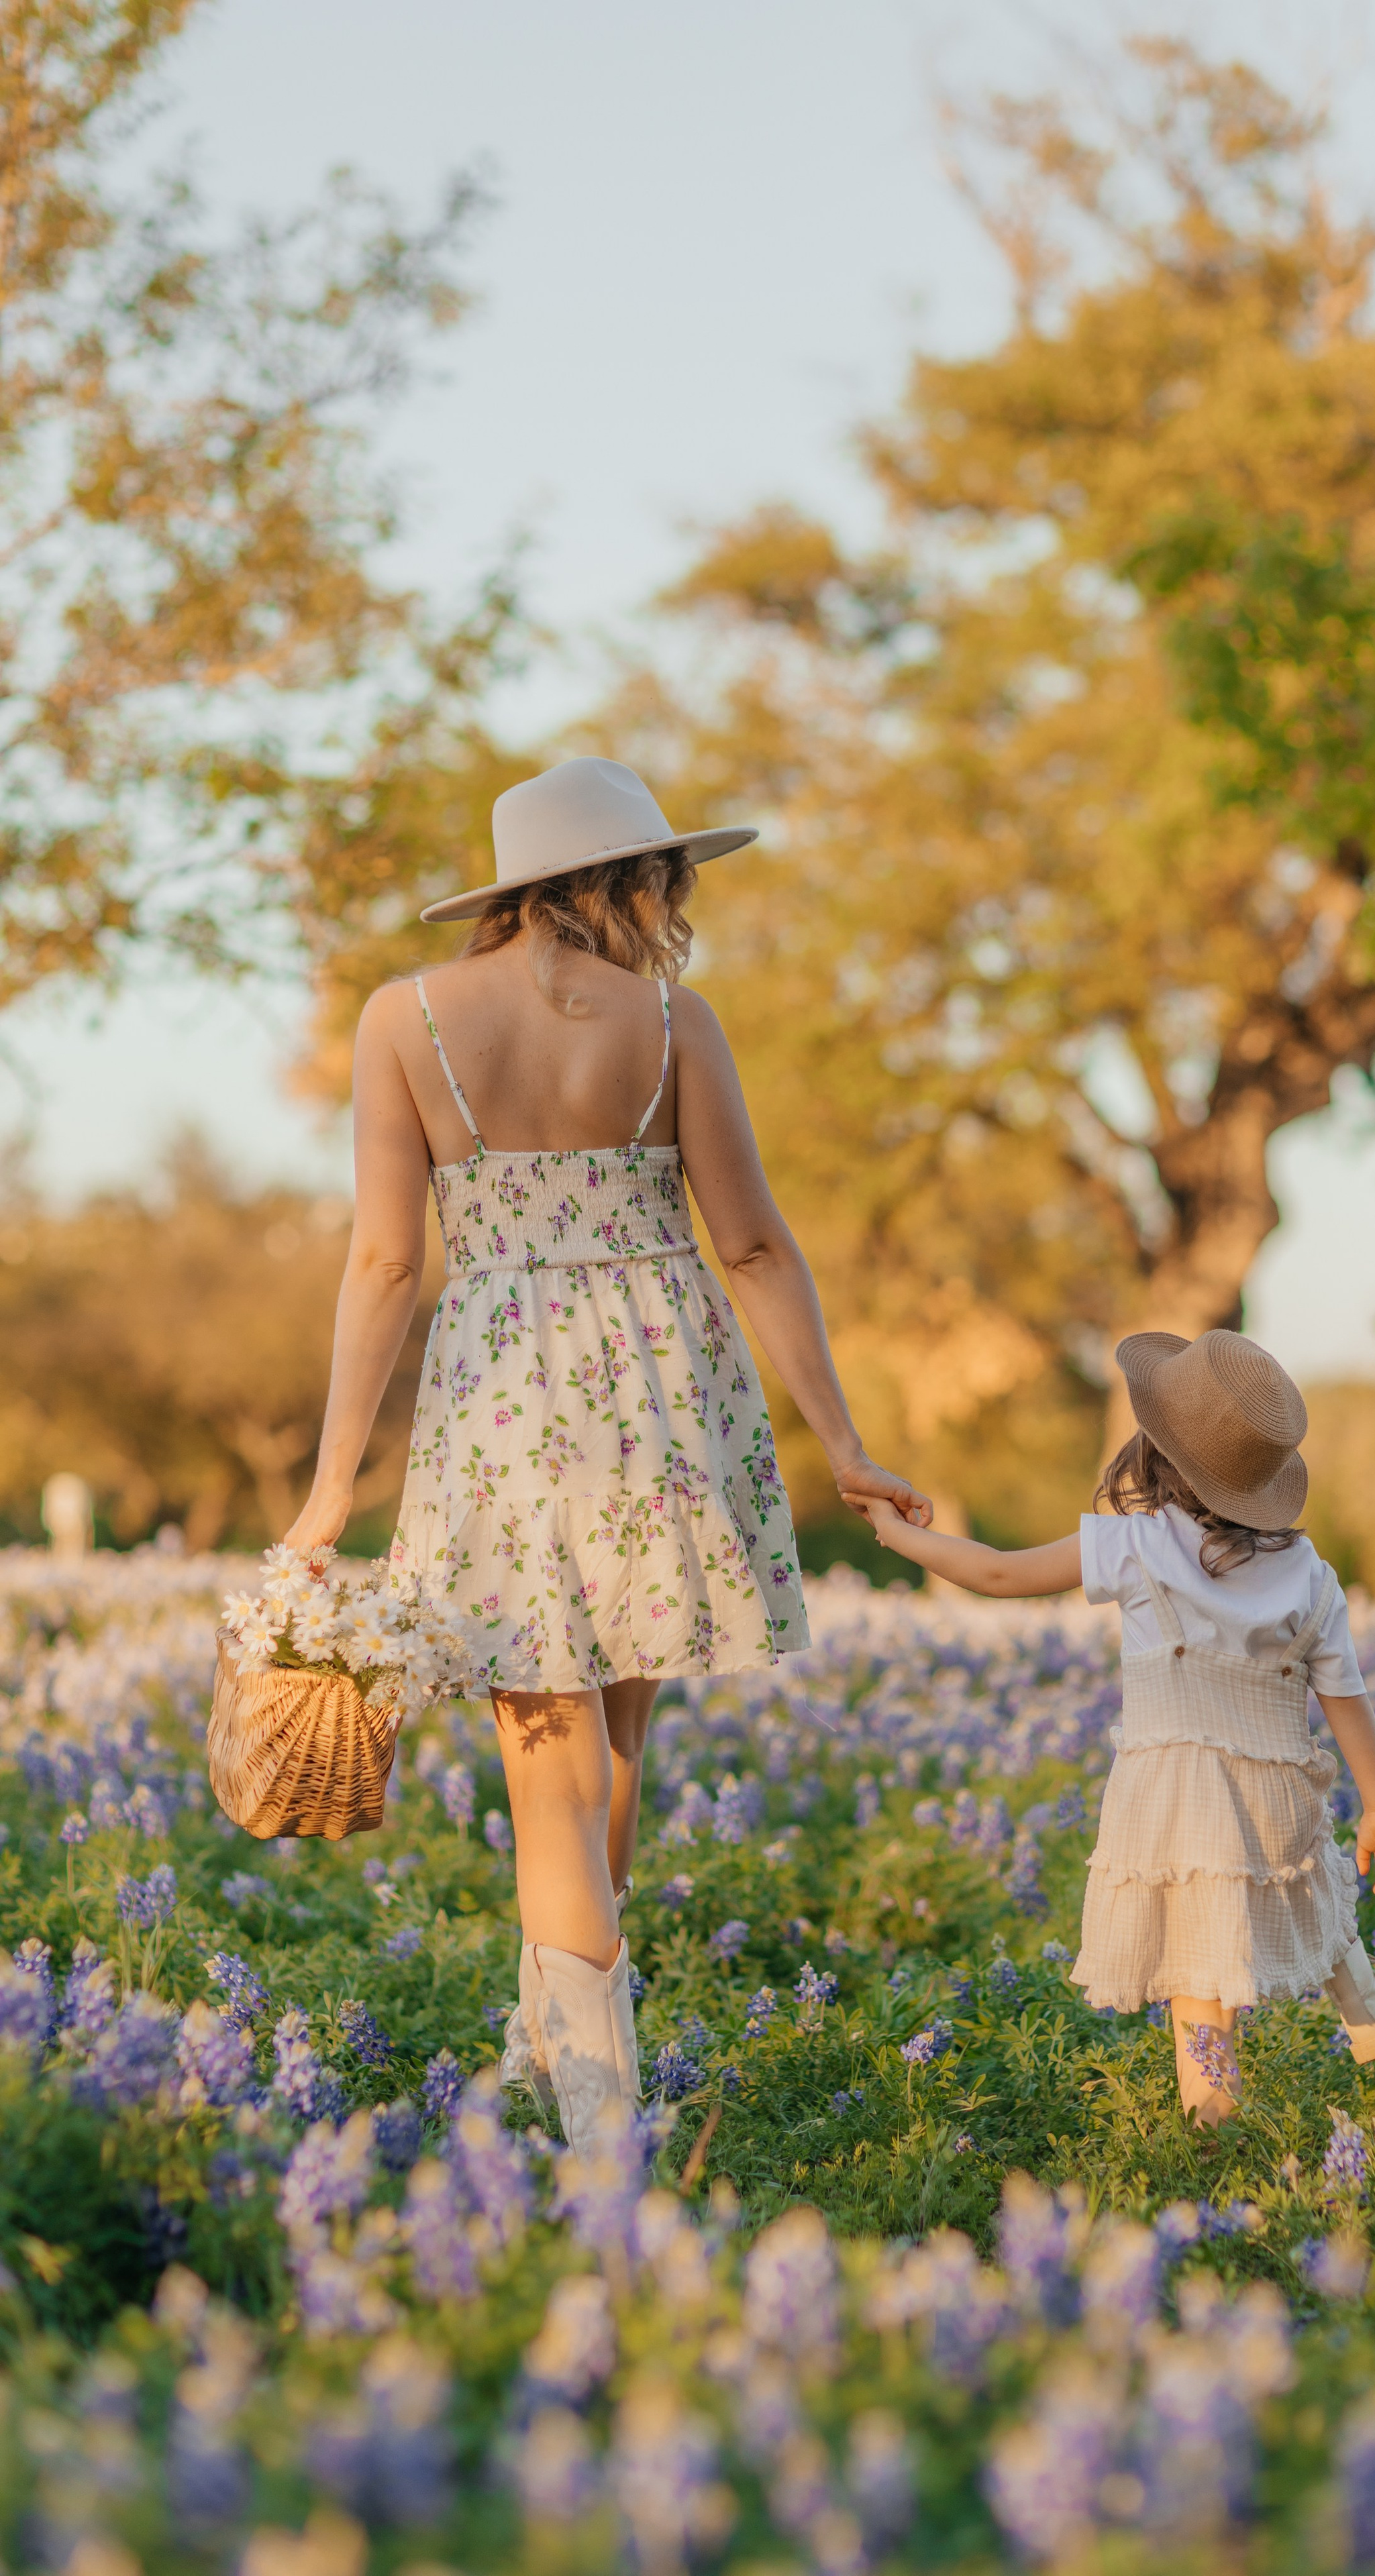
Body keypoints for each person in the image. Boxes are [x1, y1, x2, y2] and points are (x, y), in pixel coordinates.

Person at [285, 755, 928, 2149]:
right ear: (628, 880)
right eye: (663, 876)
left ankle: (594, 2117)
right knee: (612, 1747)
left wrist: (334, 1484)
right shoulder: (673, 1020)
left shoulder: (405, 1019)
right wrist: (844, 1442)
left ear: (513, 890)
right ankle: (563, 2055)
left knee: (547, 1763)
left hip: (507, 1401)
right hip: (659, 1387)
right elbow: (750, 1245)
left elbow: (388, 1261)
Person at [858, 1326, 1375, 2123]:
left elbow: (995, 1572)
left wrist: (894, 1530)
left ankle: (1213, 2134)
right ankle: (1368, 2010)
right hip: (1276, 1801)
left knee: (1200, 1989)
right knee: (1297, 1913)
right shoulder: (1310, 1572)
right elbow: (1347, 1698)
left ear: (1152, 1451)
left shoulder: (1134, 1542)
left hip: (1181, 1807)